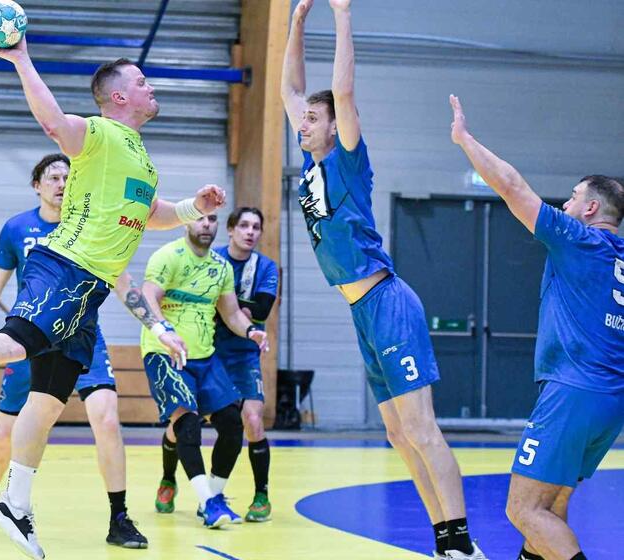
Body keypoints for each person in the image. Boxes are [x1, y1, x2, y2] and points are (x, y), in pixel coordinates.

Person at [0, 36, 224, 558]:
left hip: (92, 291)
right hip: (66, 267)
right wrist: (21, 59)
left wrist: (192, 208)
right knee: (14, 342)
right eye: (141, 82)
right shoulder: (101, 133)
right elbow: (54, 124)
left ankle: (16, 504)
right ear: (119, 97)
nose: (150, 86)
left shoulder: (139, 156)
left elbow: (150, 215)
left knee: (46, 401)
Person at [281, 2, 485, 558]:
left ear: (334, 126)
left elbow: (342, 93)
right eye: (303, 119)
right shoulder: (311, 165)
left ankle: (463, 543)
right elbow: (290, 89)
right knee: (397, 434)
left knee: (421, 428)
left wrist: (341, 15)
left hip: (387, 299)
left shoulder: (346, 158)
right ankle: (444, 541)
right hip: (361, 310)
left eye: (313, 118)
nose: (303, 123)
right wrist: (296, 23)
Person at [0, 153, 156, 548]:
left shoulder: (94, 224)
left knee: (107, 419)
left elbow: (124, 283)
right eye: (54, 177)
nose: (62, 184)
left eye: (68, 177)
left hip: (82, 336)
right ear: (37, 185)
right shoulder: (17, 228)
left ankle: (120, 517)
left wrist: (157, 325)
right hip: (32, 338)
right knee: (5, 430)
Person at [450, 95, 624, 560]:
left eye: (573, 196)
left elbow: (512, 187)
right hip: (611, 399)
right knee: (552, 506)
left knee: (523, 509)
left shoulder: (579, 240)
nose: (565, 204)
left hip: (572, 392)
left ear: (591, 209)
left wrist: (465, 140)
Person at [141, 213, 269, 529]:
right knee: (187, 424)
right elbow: (147, 297)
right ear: (187, 222)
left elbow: (231, 313)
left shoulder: (221, 267)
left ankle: (213, 495)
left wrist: (251, 331)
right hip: (167, 354)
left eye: (212, 219)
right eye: (200, 218)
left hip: (205, 357)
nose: (206, 224)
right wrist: (164, 331)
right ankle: (208, 502)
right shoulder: (168, 256)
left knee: (232, 423)